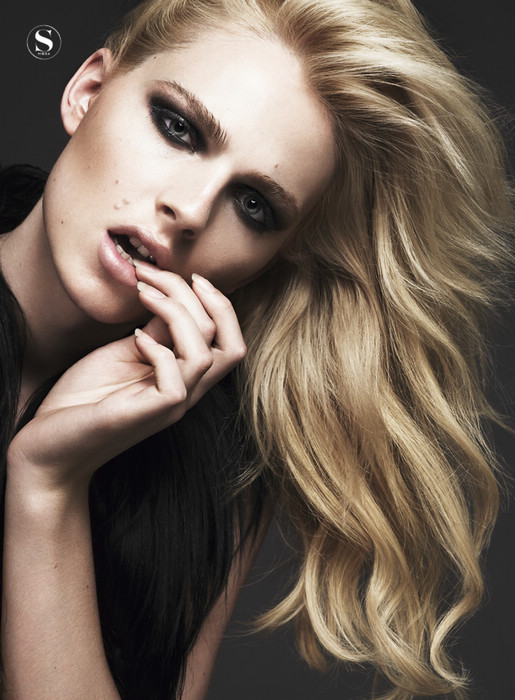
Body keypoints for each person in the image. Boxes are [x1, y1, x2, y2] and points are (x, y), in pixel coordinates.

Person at [0, 0, 512, 698]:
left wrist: (48, 484)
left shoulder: (220, 466)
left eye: (252, 205)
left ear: (266, 261)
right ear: (87, 92)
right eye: (178, 128)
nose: (189, 209)